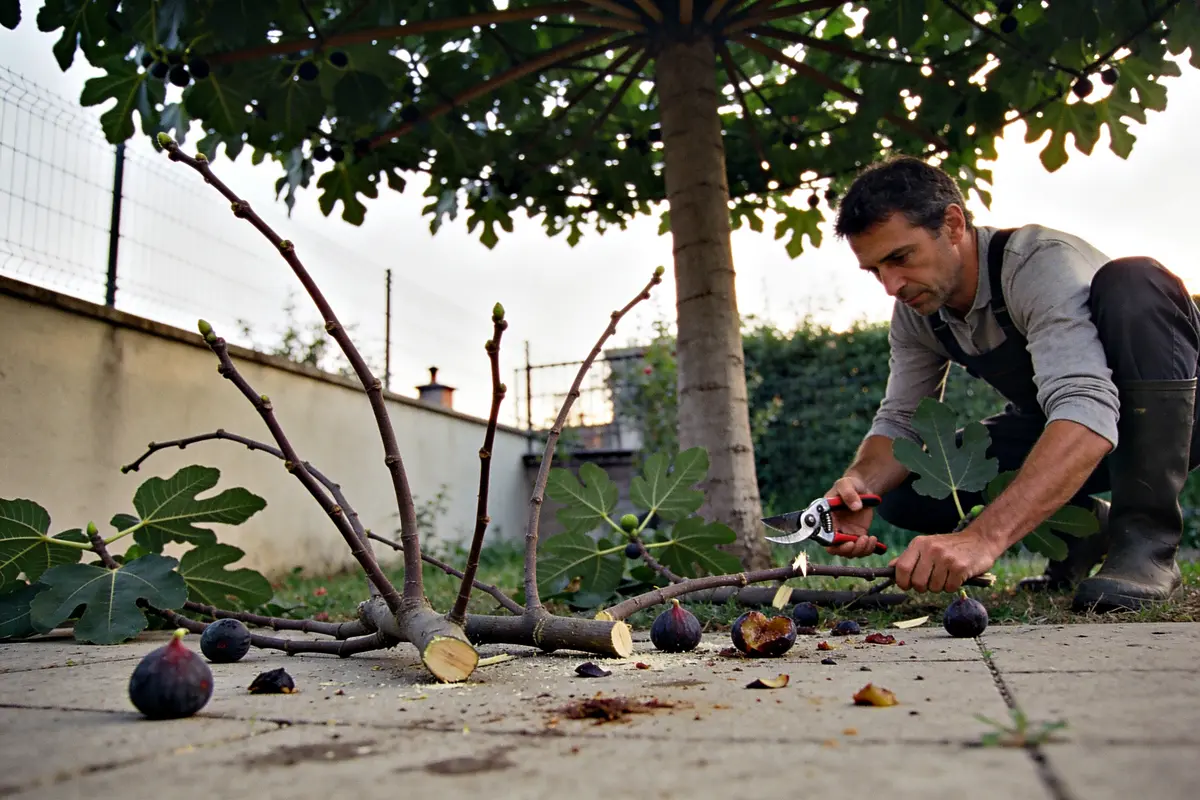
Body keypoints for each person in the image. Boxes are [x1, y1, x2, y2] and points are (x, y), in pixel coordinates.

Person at [819, 155, 1199, 612]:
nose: (891, 285)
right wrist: (858, 486)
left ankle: (1146, 544)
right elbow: (901, 420)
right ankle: (1086, 528)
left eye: (900, 257)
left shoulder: (1036, 265)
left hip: (1181, 416)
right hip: (1075, 422)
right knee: (905, 492)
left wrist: (982, 539)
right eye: (876, 269)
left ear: (953, 224)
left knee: (1135, 279)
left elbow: (1085, 406)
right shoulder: (918, 312)